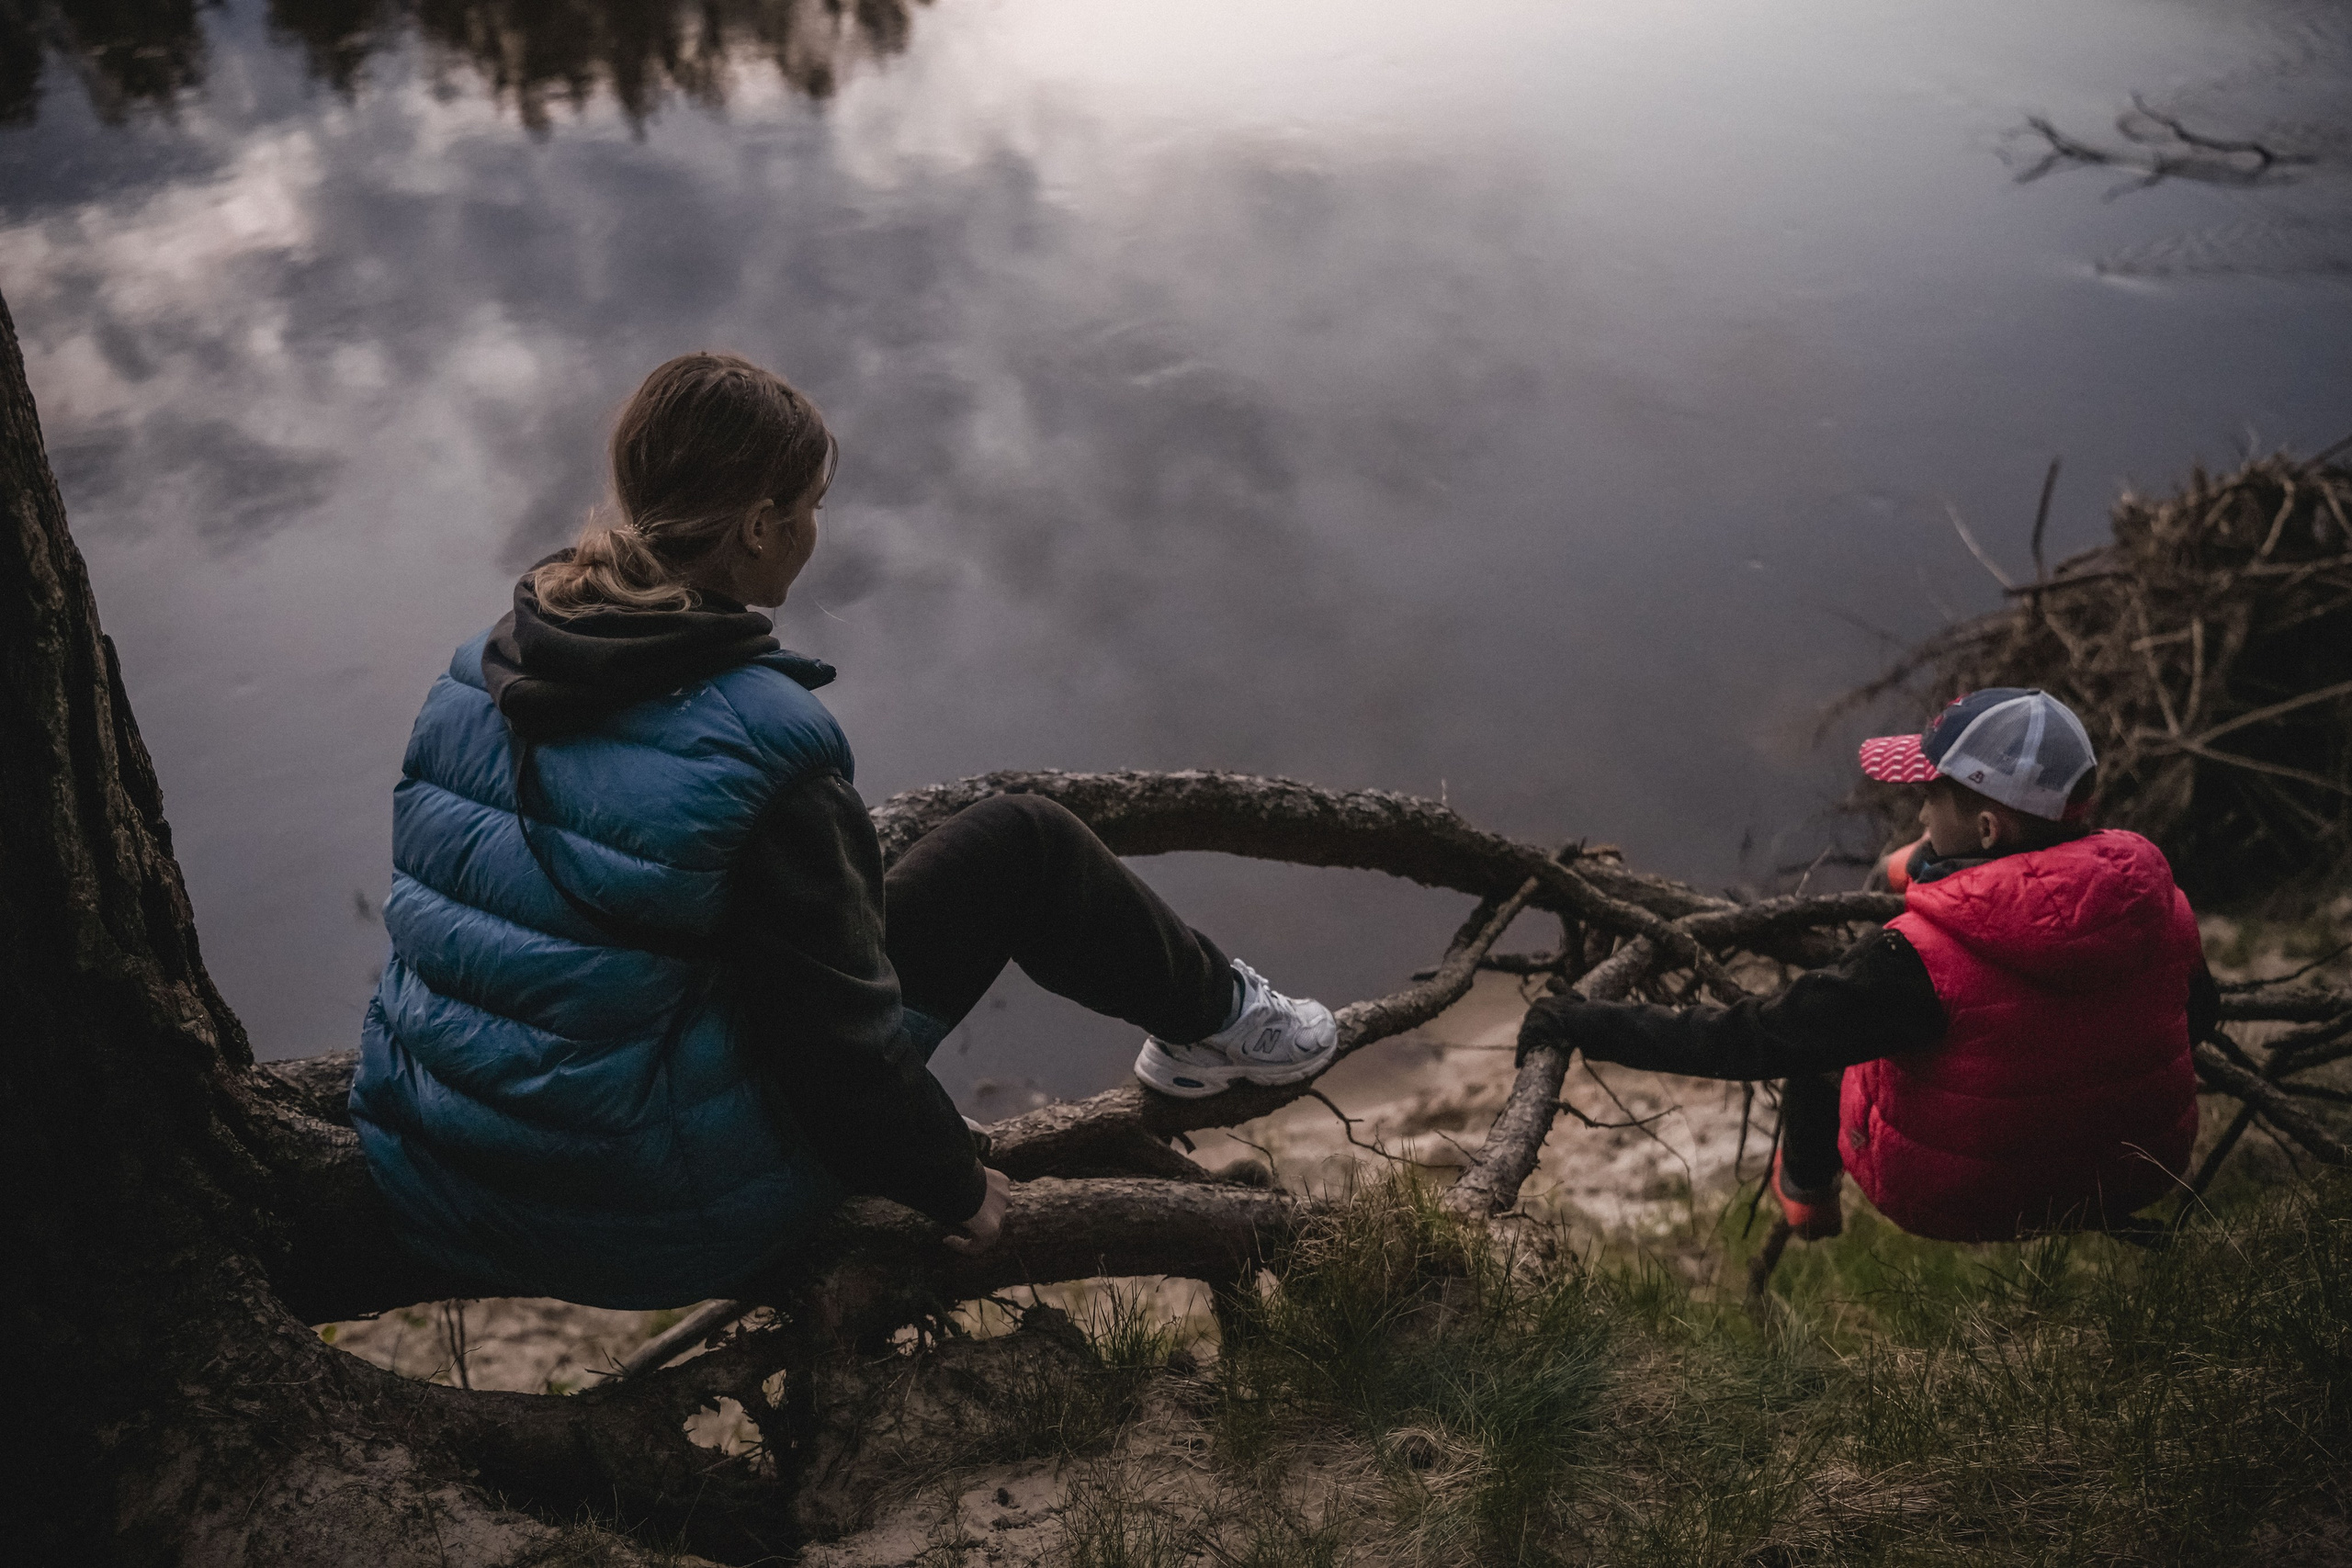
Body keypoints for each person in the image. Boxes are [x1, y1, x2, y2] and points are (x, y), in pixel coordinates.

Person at [347, 352, 1338, 1311]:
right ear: (757, 528)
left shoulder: (473, 674)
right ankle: (1223, 1025)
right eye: (810, 509)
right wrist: (949, 1182)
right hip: (639, 1213)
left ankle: (1204, 1022)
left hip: (433, 1164)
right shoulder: (769, 743)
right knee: (1019, 844)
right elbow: (831, 1043)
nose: (816, 532)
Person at [1515, 688, 2214, 1244]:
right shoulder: (2160, 903)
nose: (1918, 804)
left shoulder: (1911, 962)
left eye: (1930, 796)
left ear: (1989, 830)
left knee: (1819, 1049)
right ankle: (1936, 875)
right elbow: (2198, 1019)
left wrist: (1582, 1022)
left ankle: (1807, 1200)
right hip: (2135, 1168)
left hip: (1966, 1197)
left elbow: (1749, 1036)